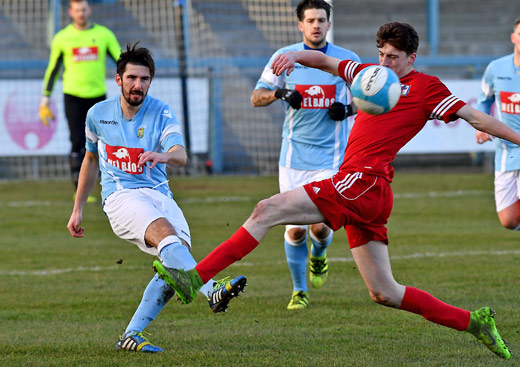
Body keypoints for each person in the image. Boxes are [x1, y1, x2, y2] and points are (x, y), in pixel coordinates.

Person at [153, 22, 520, 359]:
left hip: (364, 181)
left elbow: (476, 117)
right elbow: (327, 62)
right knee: (384, 292)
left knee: (266, 210)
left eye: (394, 57)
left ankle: (194, 279)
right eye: (381, 54)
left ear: (412, 58)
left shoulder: (426, 87)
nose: (385, 62)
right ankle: (474, 322)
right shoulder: (367, 75)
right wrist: (294, 55)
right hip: (368, 191)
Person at [66, 43, 247, 353]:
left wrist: (163, 156)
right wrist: (77, 209)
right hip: (121, 197)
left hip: (159, 195)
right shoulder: (98, 114)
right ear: (118, 79)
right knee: (166, 236)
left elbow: (181, 155)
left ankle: (131, 335)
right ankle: (213, 290)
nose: (138, 85)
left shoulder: (162, 111)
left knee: (176, 261)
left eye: (145, 79)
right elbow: (90, 159)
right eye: (133, 78)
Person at [250, 0, 360, 310]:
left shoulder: (347, 61)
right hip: (293, 160)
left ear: (329, 23)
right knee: (295, 230)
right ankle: (299, 290)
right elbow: (256, 97)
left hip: (332, 159)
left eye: (321, 20)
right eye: (310, 20)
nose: (316, 25)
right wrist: (280, 93)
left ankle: (320, 253)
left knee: (320, 226)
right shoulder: (284, 59)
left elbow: (371, 101)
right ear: (300, 25)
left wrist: (349, 108)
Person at [40, 0, 122, 203]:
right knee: (77, 141)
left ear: (89, 10)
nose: (81, 13)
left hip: (97, 98)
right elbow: (53, 69)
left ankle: (109, 187)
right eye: (77, 10)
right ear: (71, 12)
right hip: (73, 97)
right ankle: (79, 189)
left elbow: (122, 62)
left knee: (103, 142)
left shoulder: (104, 35)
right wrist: (45, 98)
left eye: (84, 9)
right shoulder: (63, 38)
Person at [475, 18, 520, 231]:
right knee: (509, 221)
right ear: (513, 38)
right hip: (506, 152)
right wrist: (481, 126)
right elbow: (484, 100)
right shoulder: (496, 68)